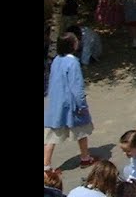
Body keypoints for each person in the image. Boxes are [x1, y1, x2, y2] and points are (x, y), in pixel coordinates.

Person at [44, 32, 95, 172]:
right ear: (72, 45)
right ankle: (85, 157)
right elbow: (76, 86)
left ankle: (46, 166)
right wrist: (82, 105)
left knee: (51, 135)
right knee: (81, 130)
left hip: (56, 103)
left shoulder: (56, 60)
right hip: (71, 104)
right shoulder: (73, 62)